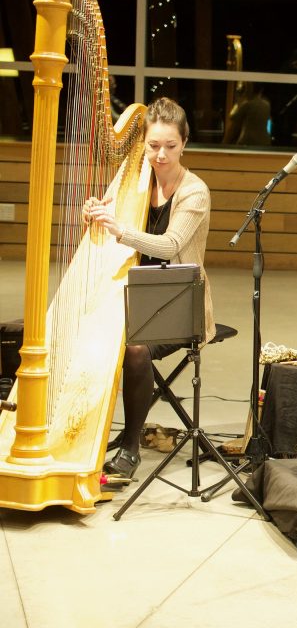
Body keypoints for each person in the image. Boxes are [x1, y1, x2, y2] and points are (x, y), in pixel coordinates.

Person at [84, 97, 215, 479]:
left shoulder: (195, 192)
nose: (160, 155)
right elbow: (107, 211)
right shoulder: (136, 176)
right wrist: (94, 211)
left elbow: (171, 245)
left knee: (136, 347)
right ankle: (88, 433)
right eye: (153, 145)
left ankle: (130, 446)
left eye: (170, 146)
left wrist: (120, 230)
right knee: (96, 329)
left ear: (185, 143)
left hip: (180, 302)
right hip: (138, 294)